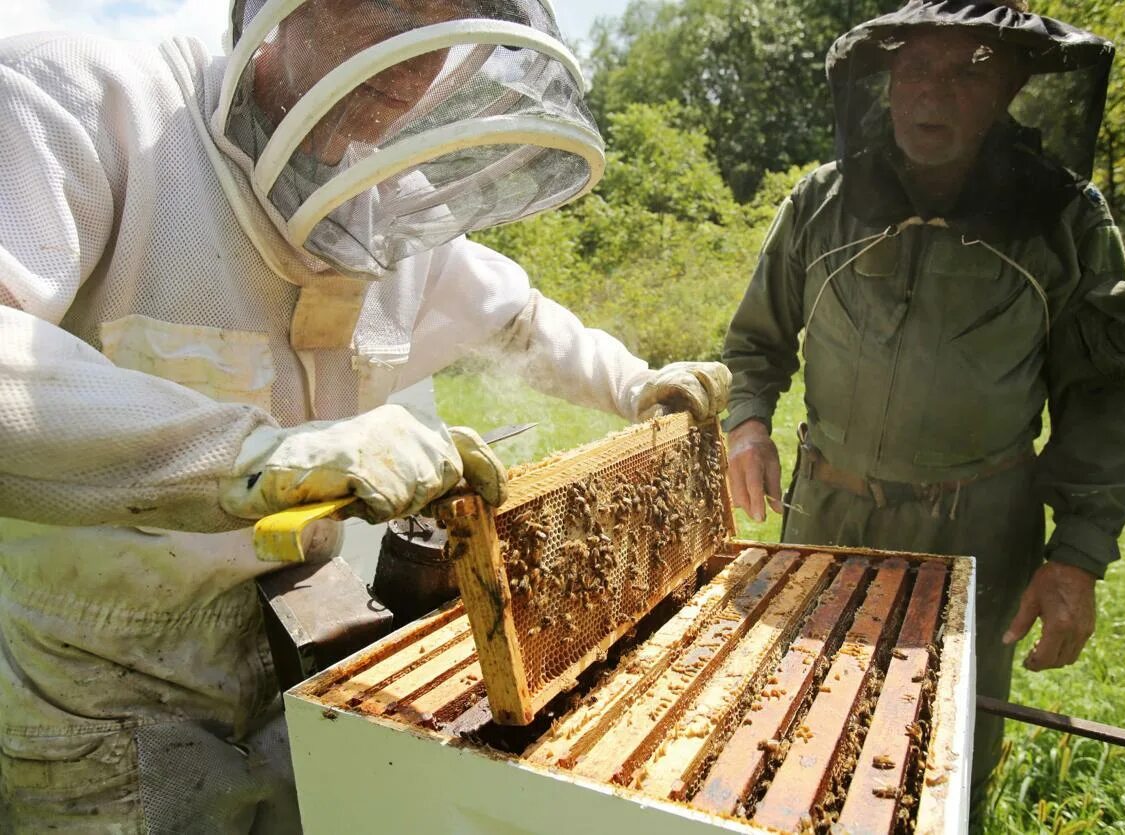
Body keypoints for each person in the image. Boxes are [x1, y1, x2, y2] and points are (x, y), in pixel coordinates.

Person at [0, 0, 730, 830]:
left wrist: (638, 384)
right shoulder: (88, 104)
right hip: (99, 689)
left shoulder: (394, 200)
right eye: (394, 5)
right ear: (285, 13)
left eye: (447, 26)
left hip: (300, 650)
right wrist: (260, 455)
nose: (419, 60)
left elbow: (518, 318)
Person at [721, 0, 1125, 825]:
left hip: (980, 530)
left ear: (1010, 88)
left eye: (968, 72)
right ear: (884, 83)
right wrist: (747, 420)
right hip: (828, 515)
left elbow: (1105, 393)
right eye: (916, 67)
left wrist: (1080, 555)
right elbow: (757, 340)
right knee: (796, 724)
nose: (933, 93)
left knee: (943, 758)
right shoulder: (821, 202)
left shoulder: (1063, 219)